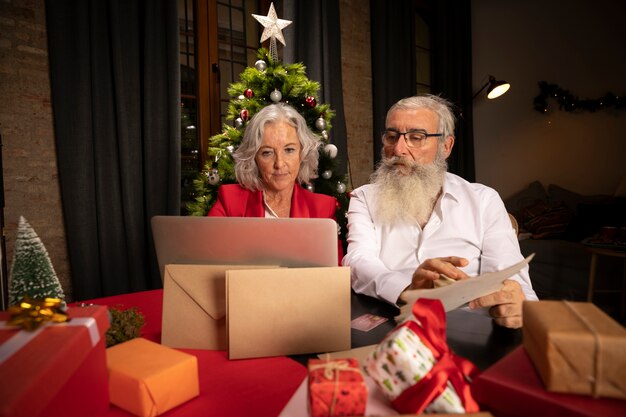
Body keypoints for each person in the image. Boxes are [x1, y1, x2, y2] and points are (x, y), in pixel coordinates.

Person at [342, 94, 537, 329]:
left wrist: (515, 304)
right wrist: (409, 289)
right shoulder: (364, 198)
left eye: (416, 137)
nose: (399, 149)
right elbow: (358, 261)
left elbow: (511, 277)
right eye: (392, 136)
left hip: (472, 328)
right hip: (395, 325)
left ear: (445, 147)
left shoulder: (483, 200)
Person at [208, 103, 343, 260]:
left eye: (289, 150)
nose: (279, 163)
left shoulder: (322, 209)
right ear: (254, 158)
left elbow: (334, 274)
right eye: (267, 153)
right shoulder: (230, 201)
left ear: (303, 154)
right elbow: (206, 260)